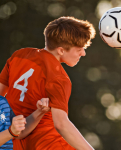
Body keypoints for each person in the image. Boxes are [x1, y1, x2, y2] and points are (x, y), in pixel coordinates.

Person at [0, 16, 96, 150]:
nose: (83, 53)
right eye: (79, 49)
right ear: (61, 50)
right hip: (46, 142)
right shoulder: (59, 78)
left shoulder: (19, 55)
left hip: (11, 142)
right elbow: (61, 124)